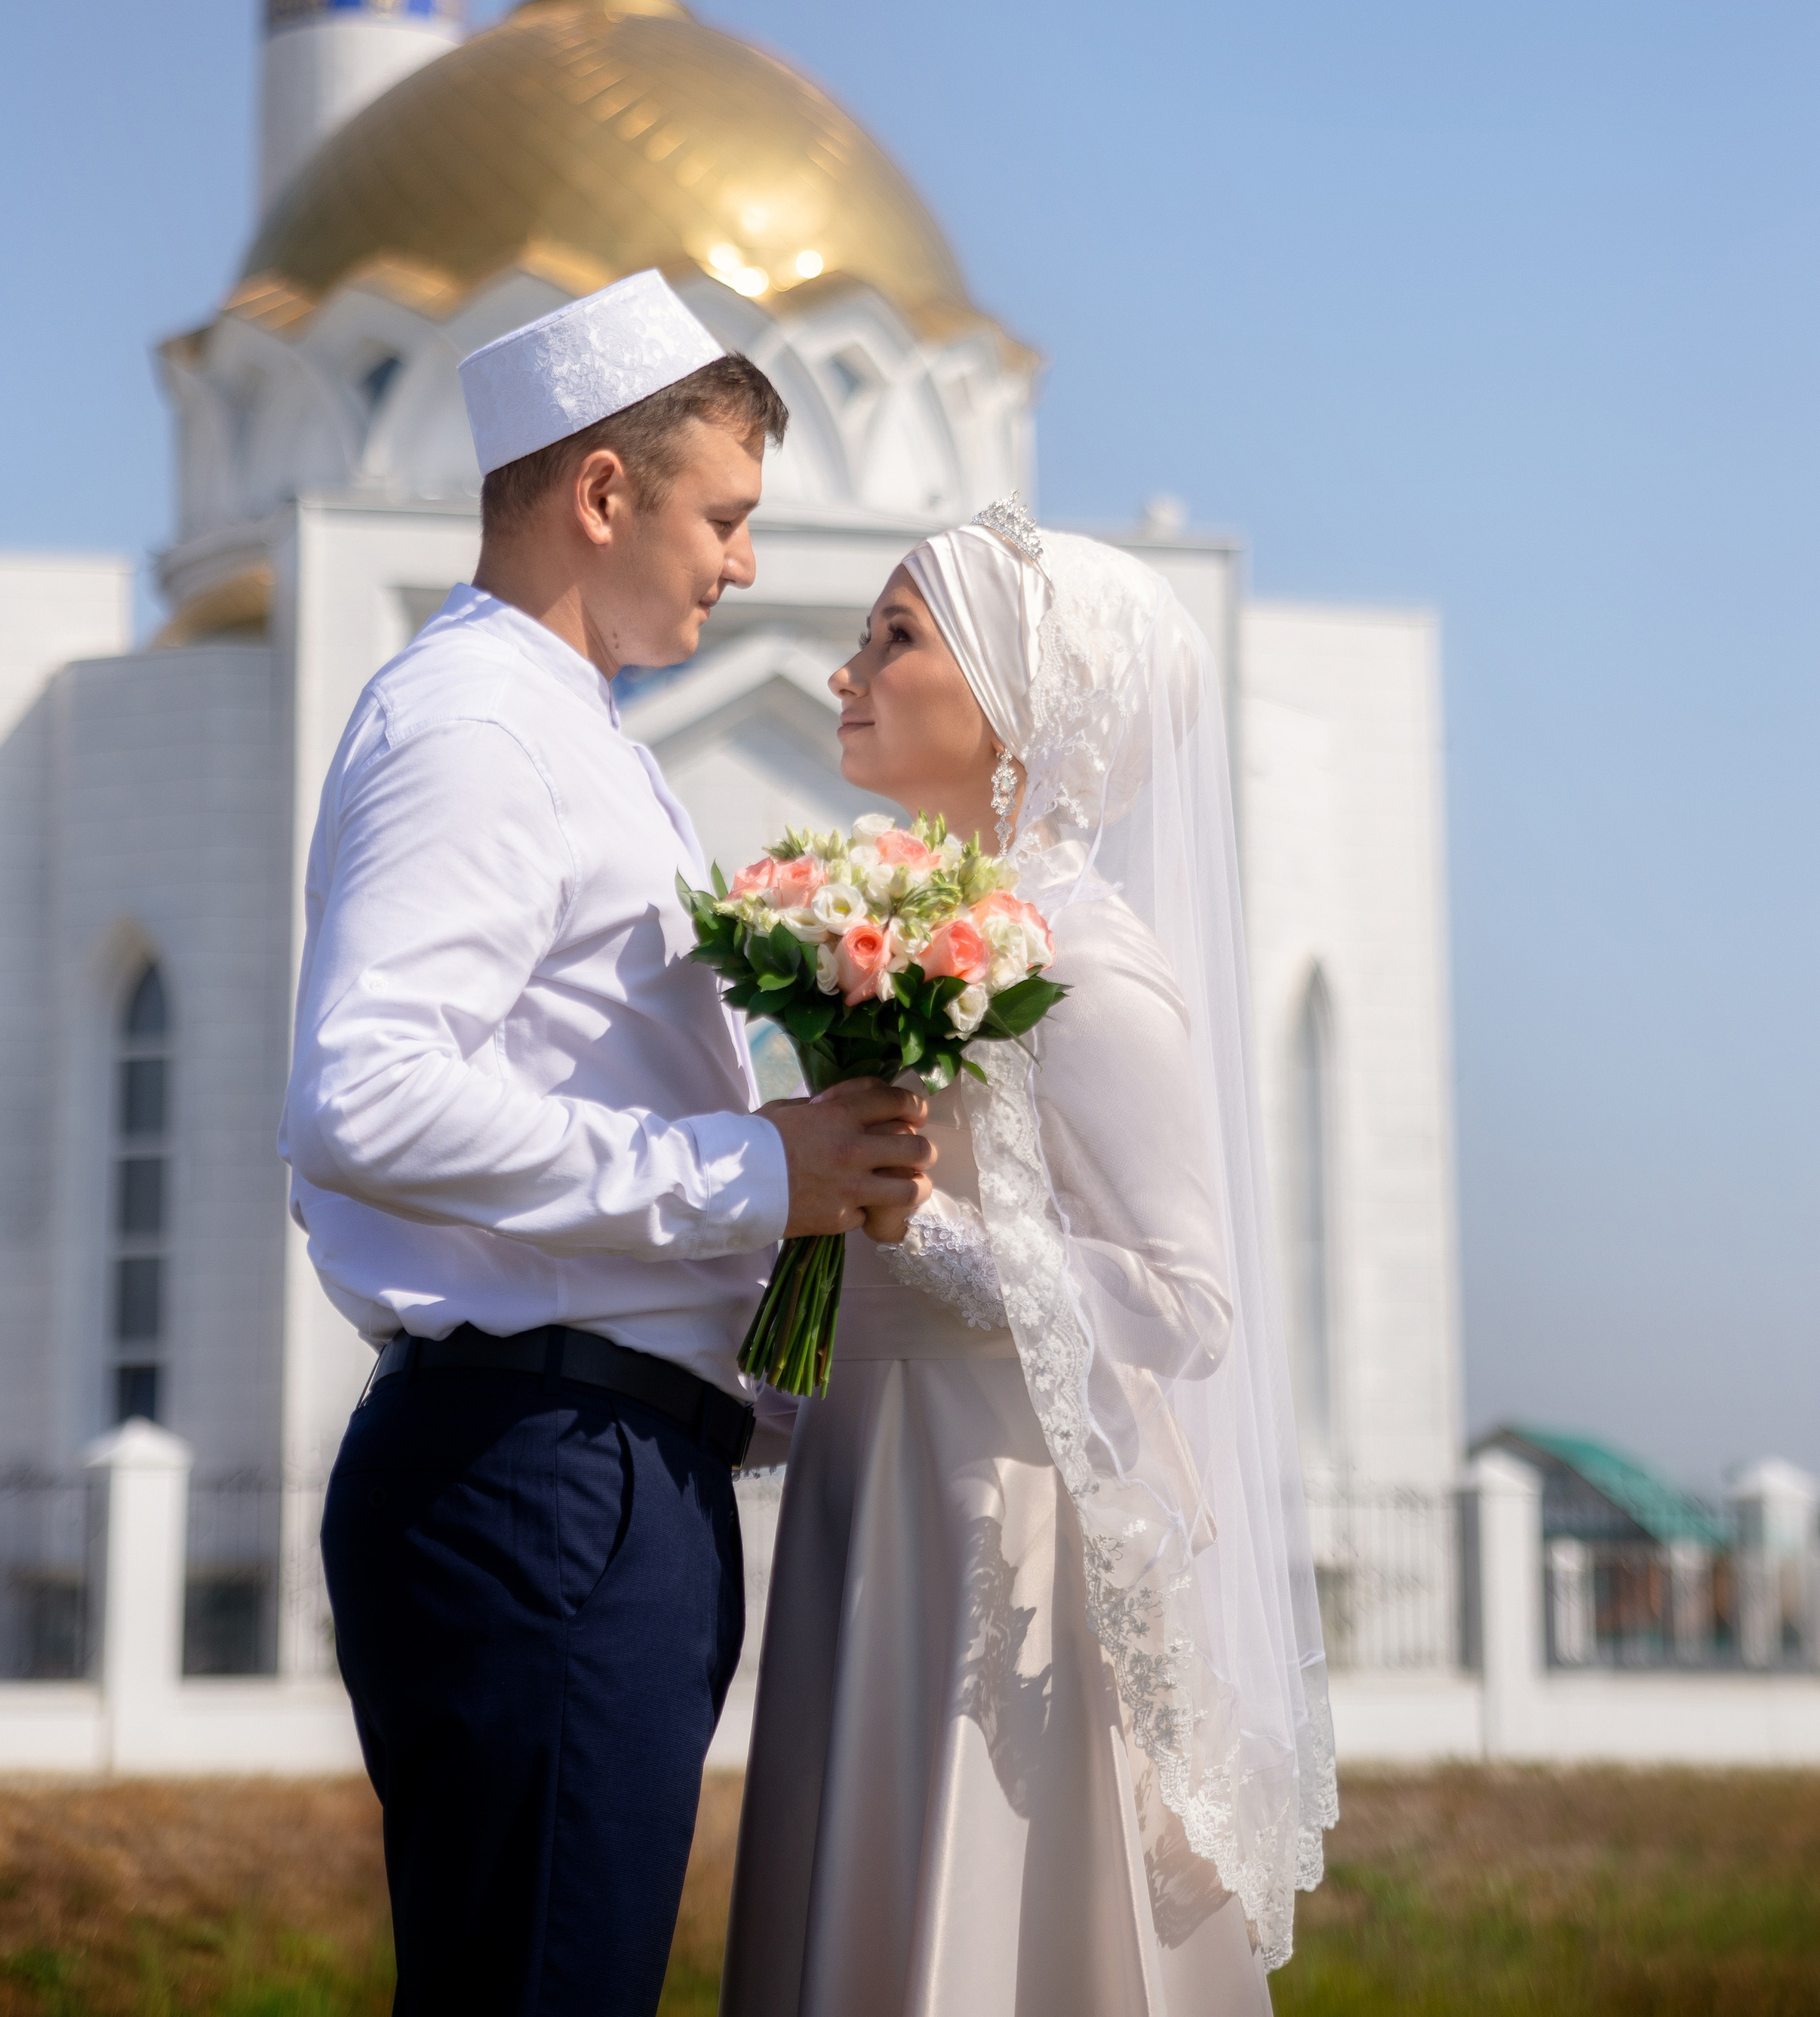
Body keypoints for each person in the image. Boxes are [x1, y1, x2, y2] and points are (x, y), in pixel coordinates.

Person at [281, 269, 935, 2017]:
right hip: (543, 1473)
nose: (742, 563)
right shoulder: (479, 725)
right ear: (599, 491)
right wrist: (753, 1173)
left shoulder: (566, 729)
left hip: (587, 1467)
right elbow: (361, 1092)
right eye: (722, 516)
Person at [721, 497, 1336, 2017]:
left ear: (1014, 707)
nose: (846, 672)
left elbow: (1188, 1304)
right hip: (867, 1481)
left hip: (1007, 1522)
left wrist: (921, 1228)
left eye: (895, 636)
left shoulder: (1084, 965)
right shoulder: (894, 933)